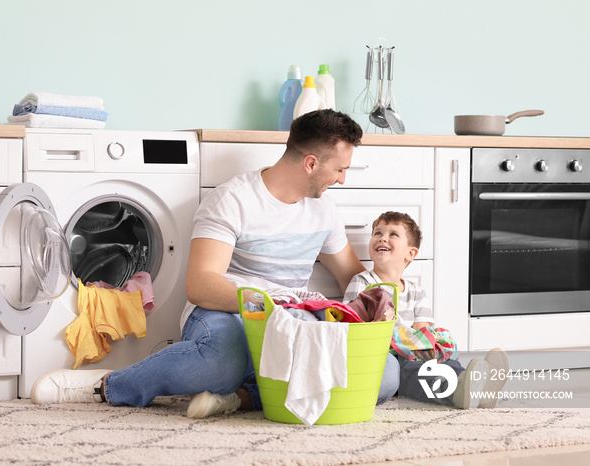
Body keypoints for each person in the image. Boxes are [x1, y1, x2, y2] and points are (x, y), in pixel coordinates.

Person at [29, 109, 400, 416]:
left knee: (384, 375)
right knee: (222, 361)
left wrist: (383, 296)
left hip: (290, 319)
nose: (342, 179)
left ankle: (238, 398)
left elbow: (352, 276)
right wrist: (268, 303)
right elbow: (202, 284)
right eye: (340, 169)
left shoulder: (324, 211)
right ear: (311, 163)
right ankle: (110, 385)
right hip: (224, 312)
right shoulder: (233, 200)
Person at [343, 211, 509, 409]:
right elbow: (351, 322)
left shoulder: (416, 291)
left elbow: (422, 333)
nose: (382, 238)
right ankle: (455, 392)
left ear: (410, 253)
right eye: (377, 233)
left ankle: (476, 387)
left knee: (443, 363)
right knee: (414, 371)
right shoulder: (363, 282)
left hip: (413, 351)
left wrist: (431, 353)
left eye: (393, 234)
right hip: (387, 352)